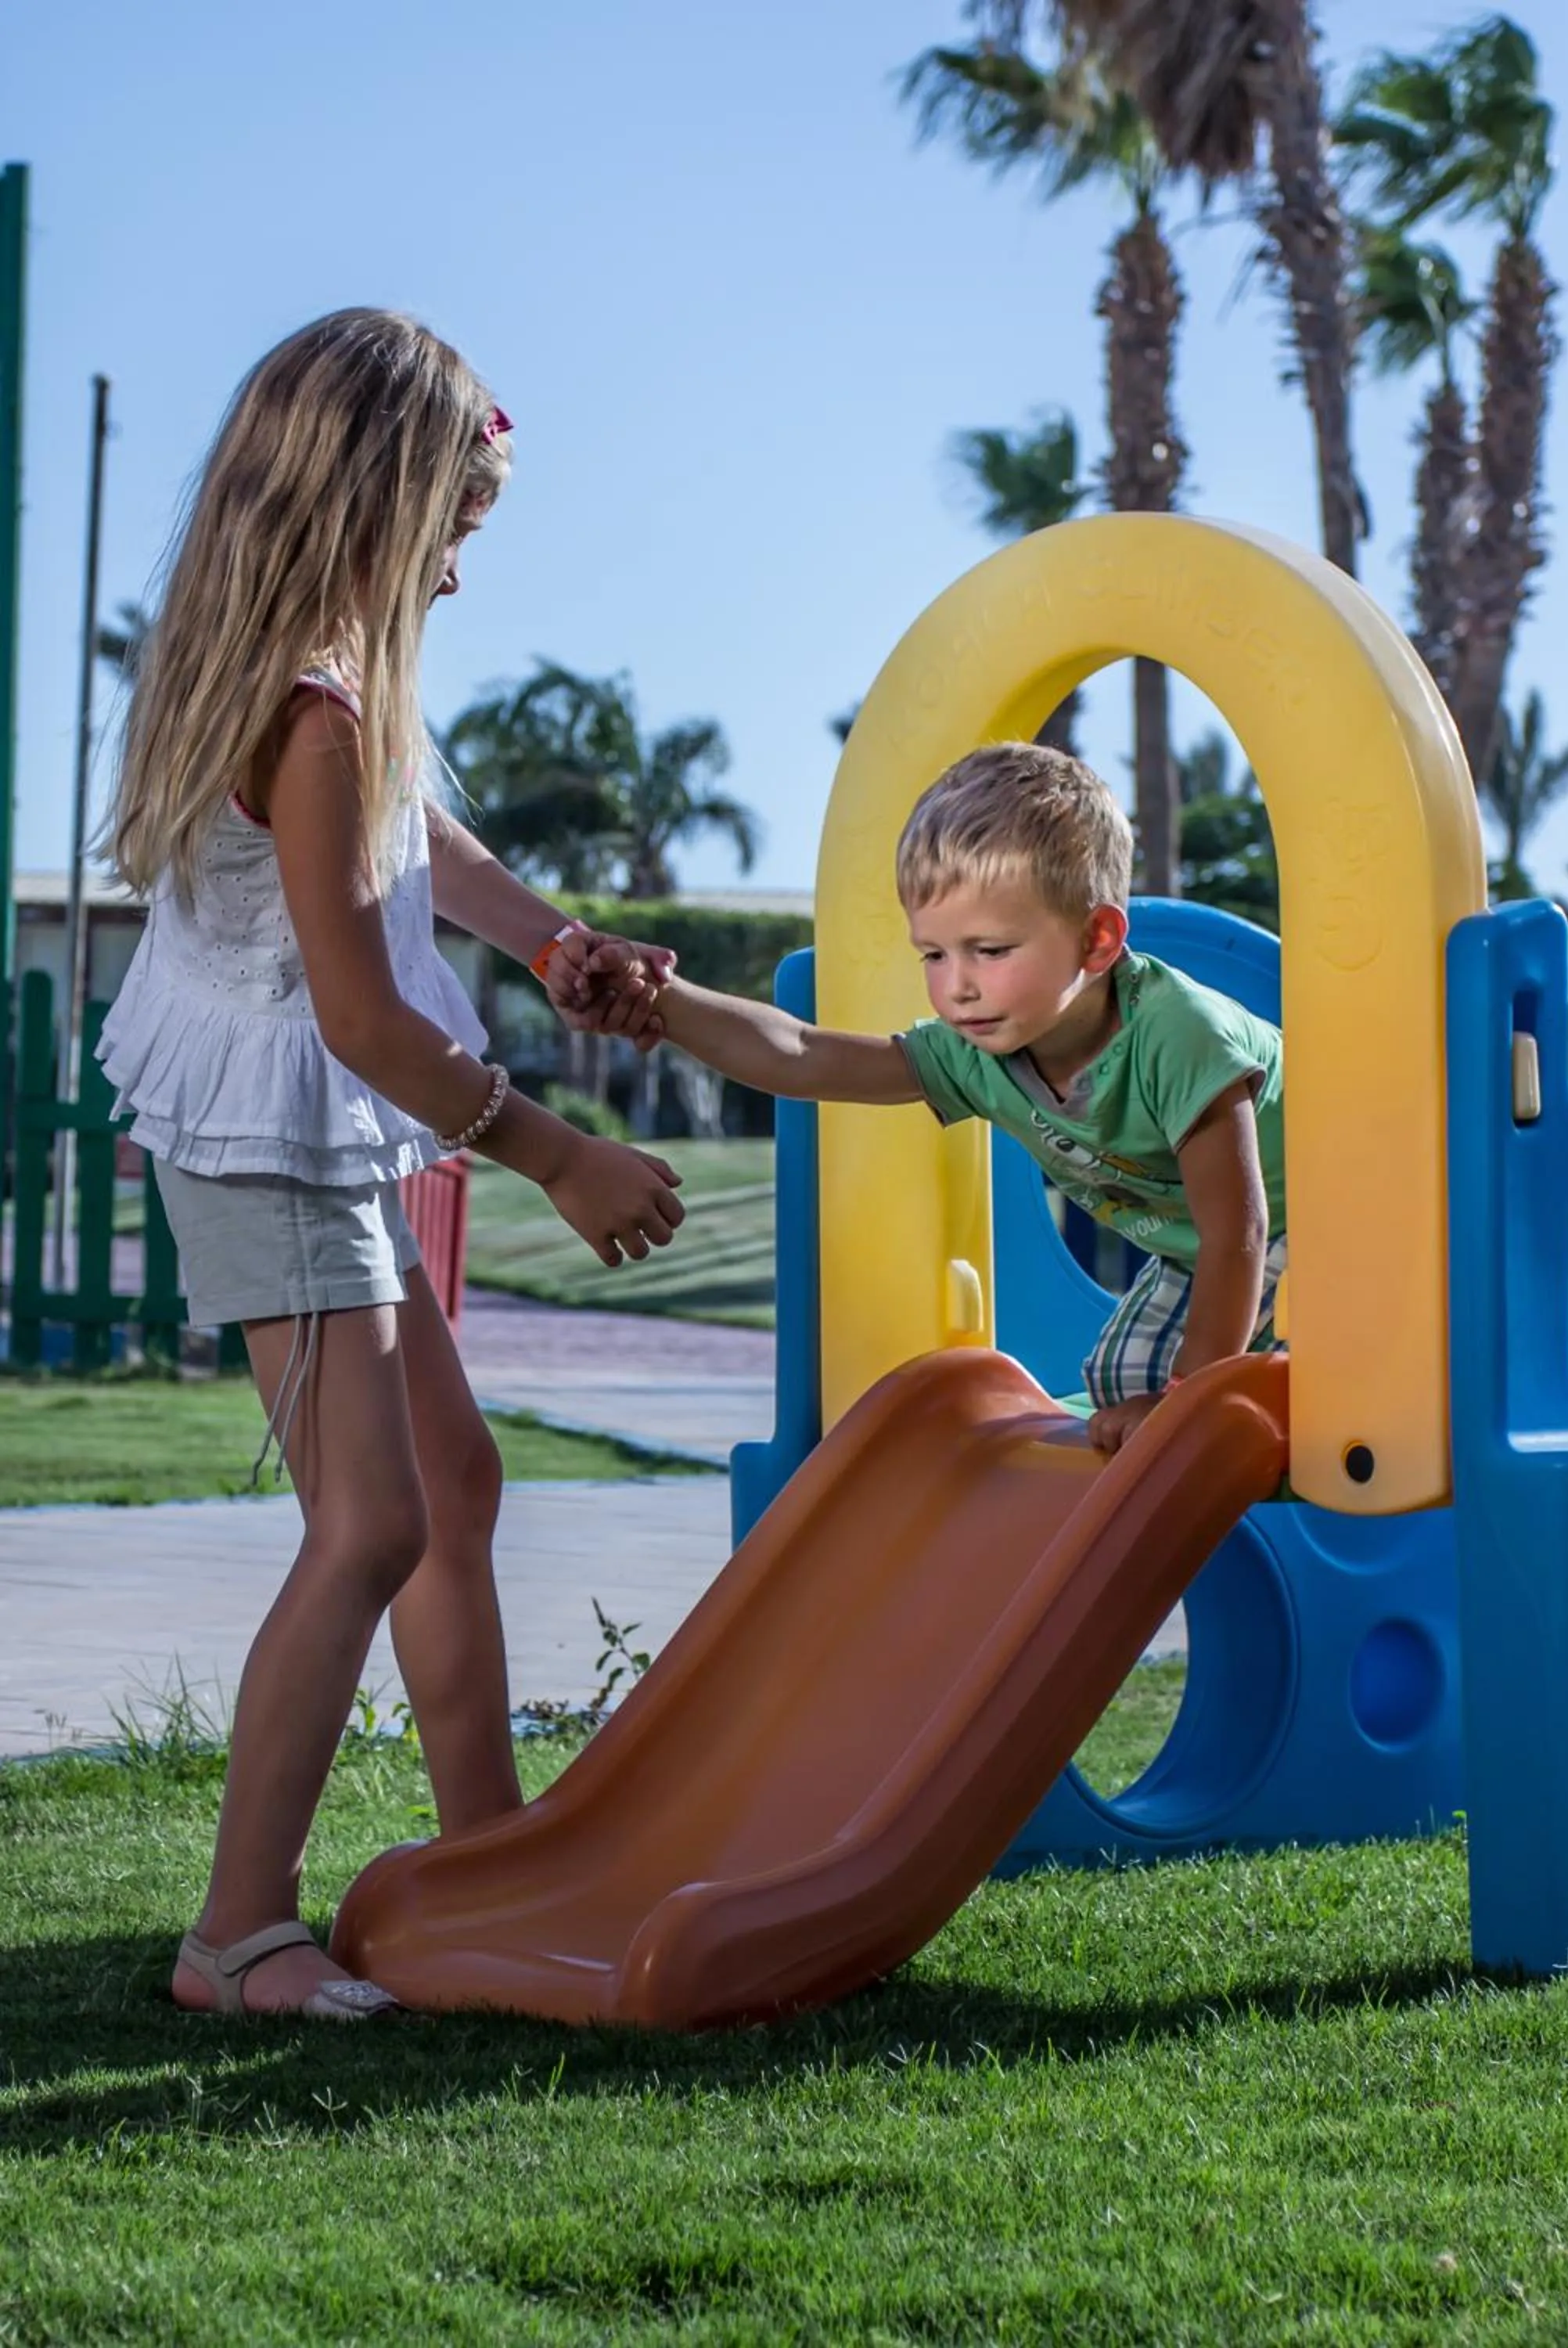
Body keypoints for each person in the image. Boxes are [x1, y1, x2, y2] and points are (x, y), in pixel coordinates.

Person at [98, 309, 676, 2019]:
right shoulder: (314, 706)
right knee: (367, 1524)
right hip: (269, 1141)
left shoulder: (316, 681)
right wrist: (556, 1150)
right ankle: (238, 1934)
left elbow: (417, 833)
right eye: (452, 533)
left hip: (297, 1128)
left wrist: (549, 932)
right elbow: (359, 1021)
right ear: (372, 502)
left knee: (457, 1488)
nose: (454, 576)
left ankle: (488, 1858)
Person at [566, 741, 1284, 1454]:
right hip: (1203, 1253)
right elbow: (804, 1055)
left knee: (1225, 1391)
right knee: (1121, 1384)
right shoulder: (977, 1053)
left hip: (1332, 1223)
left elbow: (1241, 1233)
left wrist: (1192, 1402)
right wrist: (665, 1000)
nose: (957, 986)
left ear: (1097, 941)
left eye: (991, 951)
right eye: (934, 955)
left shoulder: (1179, 1035)